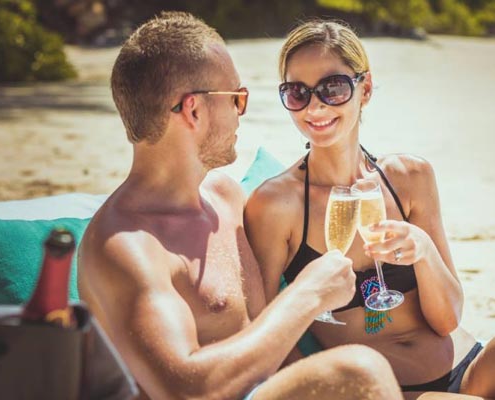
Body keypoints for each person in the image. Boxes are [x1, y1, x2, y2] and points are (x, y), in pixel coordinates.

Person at [244, 20, 495, 400]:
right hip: (385, 389)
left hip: (469, 367)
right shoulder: (276, 205)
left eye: (333, 88)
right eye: (298, 92)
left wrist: (424, 250)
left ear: (364, 90)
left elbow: (447, 319)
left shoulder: (410, 178)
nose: (315, 106)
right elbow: (265, 332)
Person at [78, 12, 404, 400]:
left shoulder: (225, 197)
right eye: (237, 97)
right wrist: (307, 295)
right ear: (194, 110)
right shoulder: (126, 246)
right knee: (359, 371)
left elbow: (271, 344)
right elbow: (183, 390)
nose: (240, 112)